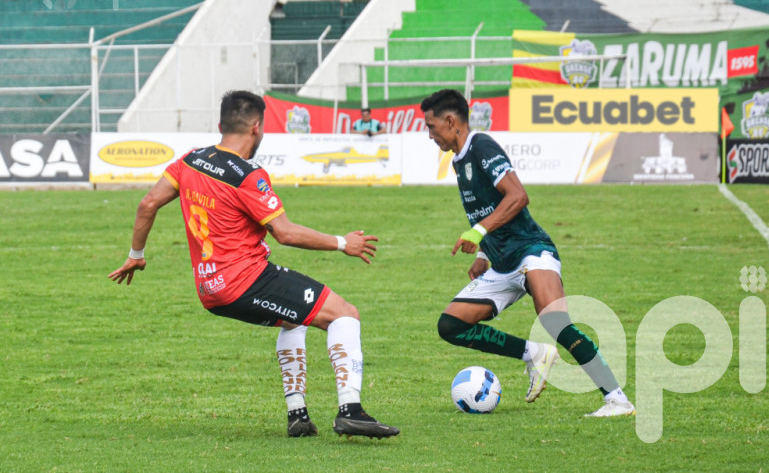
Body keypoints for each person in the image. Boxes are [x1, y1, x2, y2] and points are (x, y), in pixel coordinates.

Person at [108, 90, 399, 439]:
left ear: (221, 124)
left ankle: (298, 416)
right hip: (246, 280)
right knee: (345, 314)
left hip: (210, 291)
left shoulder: (190, 160)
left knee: (295, 321)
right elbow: (285, 233)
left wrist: (136, 256)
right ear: (257, 128)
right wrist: (342, 243)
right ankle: (351, 410)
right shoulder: (247, 176)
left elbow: (147, 203)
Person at [421, 89, 634, 417]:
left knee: (555, 320)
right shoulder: (458, 161)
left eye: (432, 126)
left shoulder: (481, 146)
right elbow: (482, 208)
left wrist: (478, 232)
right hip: (502, 262)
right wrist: (482, 253)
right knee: (451, 325)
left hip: (531, 251)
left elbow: (517, 196)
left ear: (451, 121)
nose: (430, 134)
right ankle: (534, 354)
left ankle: (617, 399)